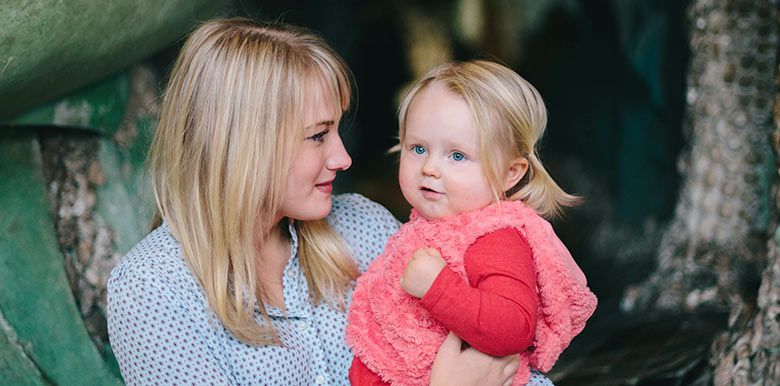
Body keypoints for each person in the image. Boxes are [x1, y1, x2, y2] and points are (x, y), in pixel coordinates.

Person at [107, 18, 527, 385]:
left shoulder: (367, 227)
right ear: (243, 147)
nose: (343, 159)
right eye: (317, 135)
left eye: (337, 130)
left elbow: (516, 367)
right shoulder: (152, 291)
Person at [346, 60, 598, 386]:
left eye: (457, 156)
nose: (430, 168)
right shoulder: (427, 226)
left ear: (511, 173)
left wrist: (438, 286)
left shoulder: (495, 237)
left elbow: (513, 327)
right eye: (418, 148)